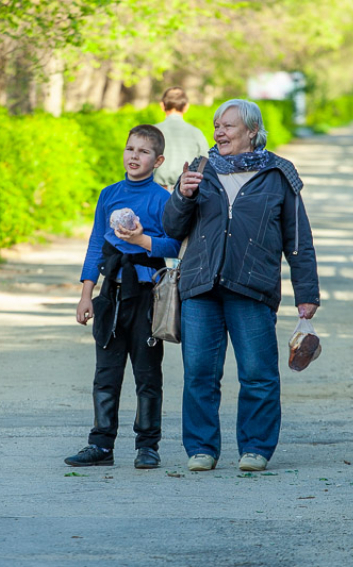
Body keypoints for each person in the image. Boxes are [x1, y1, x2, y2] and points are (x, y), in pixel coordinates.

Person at [163, 99, 320, 472]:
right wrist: (182, 196)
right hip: (201, 287)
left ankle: (255, 448)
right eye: (217, 125)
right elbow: (171, 228)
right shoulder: (200, 169)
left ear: (252, 131)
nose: (219, 132)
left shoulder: (279, 174)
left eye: (229, 126)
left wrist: (307, 295)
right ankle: (201, 448)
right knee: (199, 372)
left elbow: (298, 239)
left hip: (252, 288)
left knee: (257, 373)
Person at [65, 124, 181, 470]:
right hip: (110, 294)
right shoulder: (109, 194)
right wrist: (86, 294)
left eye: (144, 152)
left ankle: (147, 445)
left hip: (146, 294)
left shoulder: (163, 199)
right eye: (131, 149)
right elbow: (95, 245)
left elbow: (175, 246)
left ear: (158, 160)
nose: (135, 156)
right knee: (106, 374)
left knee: (147, 375)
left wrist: (142, 241)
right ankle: (101, 444)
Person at [154, 87, 210, 191]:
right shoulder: (196, 133)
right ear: (186, 107)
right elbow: (206, 164)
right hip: (186, 193)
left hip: (156, 191)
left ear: (162, 105)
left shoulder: (151, 132)